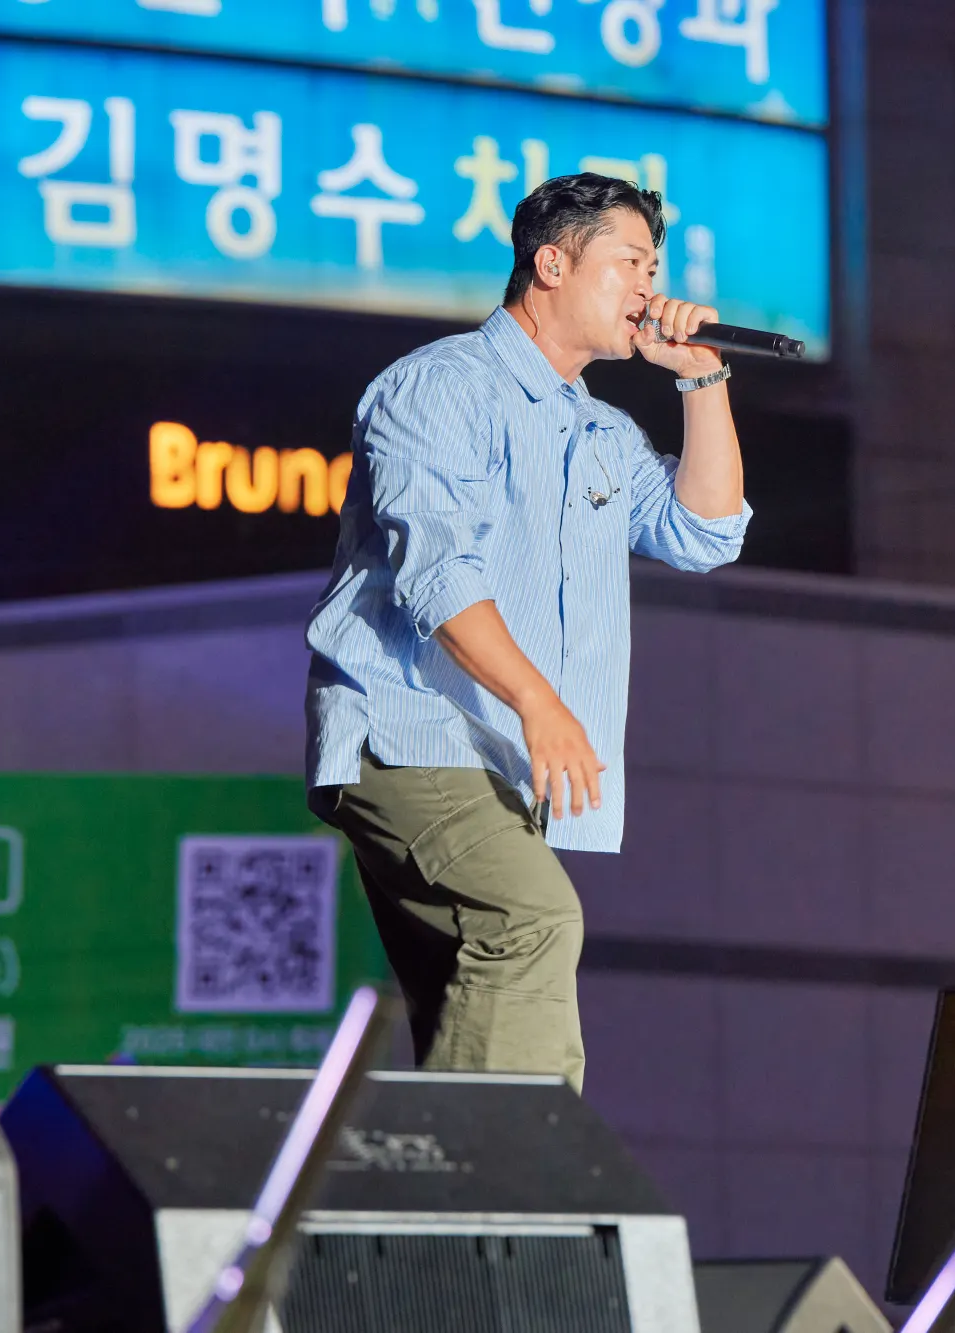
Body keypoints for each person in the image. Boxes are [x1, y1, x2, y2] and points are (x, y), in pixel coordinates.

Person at [301, 173, 751, 1090]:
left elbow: (705, 533)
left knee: (481, 998)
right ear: (552, 264)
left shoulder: (601, 431)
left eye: (654, 268)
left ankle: (459, 1175)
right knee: (531, 921)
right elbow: (438, 573)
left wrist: (703, 378)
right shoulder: (440, 387)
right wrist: (540, 704)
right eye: (631, 263)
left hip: (496, 766)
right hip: (412, 737)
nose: (648, 287)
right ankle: (503, 1171)